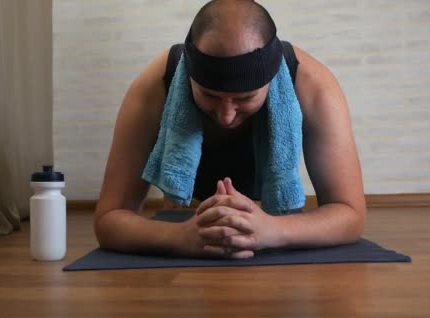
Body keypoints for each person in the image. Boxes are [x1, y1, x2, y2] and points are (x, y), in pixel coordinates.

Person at [94, 0, 366, 259]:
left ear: (269, 81)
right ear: (190, 77)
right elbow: (109, 219)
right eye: (210, 95)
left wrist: (271, 231)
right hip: (185, 221)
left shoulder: (313, 85)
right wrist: (180, 237)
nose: (226, 116)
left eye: (245, 98)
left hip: (273, 223)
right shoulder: (155, 85)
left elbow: (350, 214)